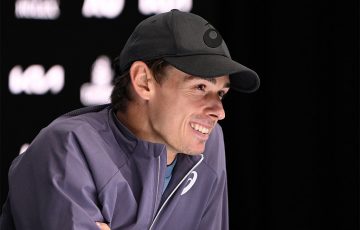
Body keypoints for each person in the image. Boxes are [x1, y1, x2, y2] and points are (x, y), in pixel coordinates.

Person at [0, 9, 259, 230]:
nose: (219, 112)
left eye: (221, 93)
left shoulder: (209, 143)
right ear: (144, 81)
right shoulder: (67, 147)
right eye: (200, 88)